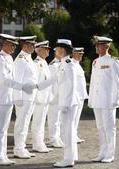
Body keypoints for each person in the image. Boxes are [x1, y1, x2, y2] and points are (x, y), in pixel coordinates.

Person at [0, 34, 34, 165]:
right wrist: (21, 86)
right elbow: (4, 80)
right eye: (11, 44)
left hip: (7, 98)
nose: (14, 47)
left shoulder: (8, 58)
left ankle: (2, 155)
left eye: (15, 45)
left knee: (4, 129)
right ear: (4, 45)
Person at [89, 36, 119, 163]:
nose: (96, 47)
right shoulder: (95, 62)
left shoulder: (113, 61)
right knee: (100, 127)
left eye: (99, 45)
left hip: (108, 101)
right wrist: (91, 99)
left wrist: (115, 100)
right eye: (96, 45)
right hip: (97, 101)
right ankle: (102, 152)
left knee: (109, 127)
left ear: (107, 46)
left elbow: (117, 83)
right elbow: (93, 83)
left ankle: (110, 153)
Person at [53, 39, 80, 168]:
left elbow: (71, 86)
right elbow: (55, 80)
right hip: (67, 102)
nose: (56, 51)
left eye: (57, 48)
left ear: (62, 50)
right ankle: (72, 156)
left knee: (67, 132)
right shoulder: (63, 63)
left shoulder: (69, 64)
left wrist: (65, 104)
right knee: (70, 131)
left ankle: (68, 159)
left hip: (68, 104)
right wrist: (36, 86)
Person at [13, 36, 38, 159]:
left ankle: (22, 147)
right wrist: (17, 98)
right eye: (31, 45)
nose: (34, 47)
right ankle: (18, 148)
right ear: (25, 45)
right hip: (23, 97)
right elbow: (17, 80)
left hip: (30, 96)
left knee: (26, 123)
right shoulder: (20, 59)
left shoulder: (28, 59)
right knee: (21, 123)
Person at [31, 40, 53, 153]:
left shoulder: (44, 62)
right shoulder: (36, 63)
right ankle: (37, 143)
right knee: (37, 122)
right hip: (39, 98)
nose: (48, 50)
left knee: (42, 121)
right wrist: (38, 97)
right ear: (39, 50)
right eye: (45, 49)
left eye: (48, 48)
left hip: (45, 98)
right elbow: (36, 83)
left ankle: (40, 142)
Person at [47, 48, 64, 148]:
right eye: (60, 52)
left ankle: (57, 138)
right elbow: (52, 83)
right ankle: (53, 139)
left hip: (60, 96)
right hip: (54, 96)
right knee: (53, 119)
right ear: (56, 53)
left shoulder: (61, 64)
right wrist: (54, 96)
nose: (62, 54)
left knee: (57, 119)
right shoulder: (53, 65)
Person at [71, 47, 88, 144]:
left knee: (76, 118)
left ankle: (74, 134)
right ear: (73, 54)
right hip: (75, 96)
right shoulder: (71, 64)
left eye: (82, 53)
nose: (81, 55)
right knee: (72, 118)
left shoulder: (78, 65)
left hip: (81, 96)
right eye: (79, 53)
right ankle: (71, 136)